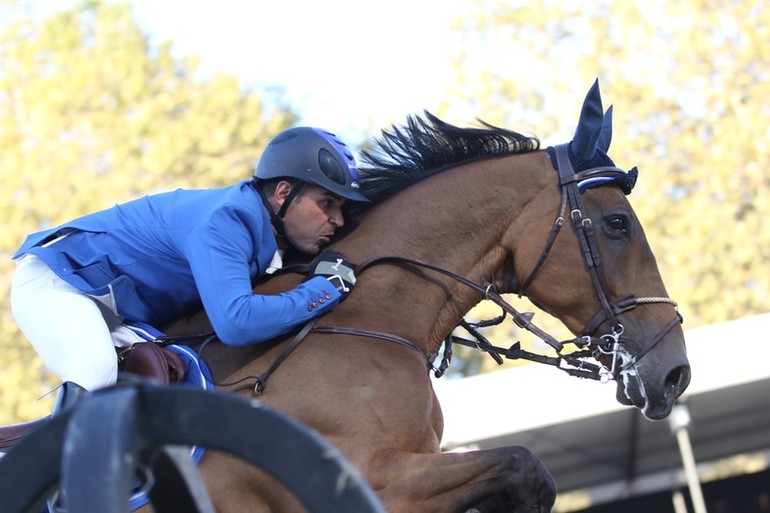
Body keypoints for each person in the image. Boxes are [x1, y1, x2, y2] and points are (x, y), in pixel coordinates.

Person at [10, 126, 368, 408]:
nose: (337, 220)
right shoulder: (227, 220)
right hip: (56, 281)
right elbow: (237, 322)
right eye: (327, 203)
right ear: (282, 192)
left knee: (175, 379)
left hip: (110, 309)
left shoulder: (261, 232)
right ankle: (57, 491)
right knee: (95, 369)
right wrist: (326, 289)